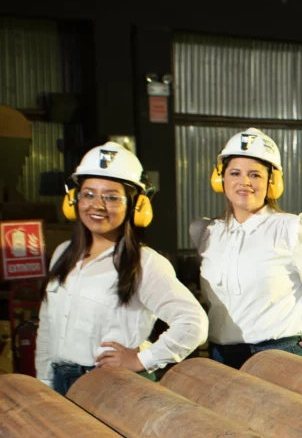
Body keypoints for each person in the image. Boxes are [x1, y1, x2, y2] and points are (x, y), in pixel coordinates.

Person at [36, 142, 208, 395]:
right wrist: (44, 383)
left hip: (111, 387)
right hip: (60, 380)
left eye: (111, 197)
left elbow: (193, 323)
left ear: (136, 206)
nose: (97, 205)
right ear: (74, 199)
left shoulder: (144, 263)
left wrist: (142, 360)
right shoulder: (63, 254)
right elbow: (48, 325)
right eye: (89, 194)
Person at [191, 128, 302, 369]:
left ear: (272, 182)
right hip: (221, 358)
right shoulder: (207, 232)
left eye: (255, 175)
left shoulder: (292, 230)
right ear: (220, 178)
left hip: (279, 357)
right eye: (235, 173)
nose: (244, 182)